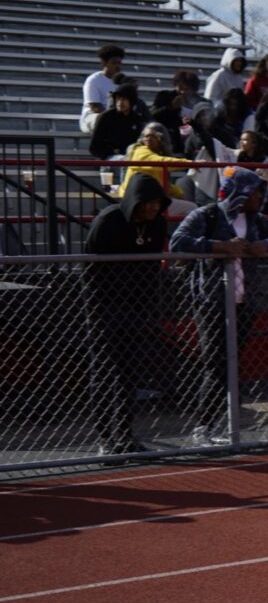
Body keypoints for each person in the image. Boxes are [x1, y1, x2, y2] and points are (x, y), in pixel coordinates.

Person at [170, 167, 268, 447]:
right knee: (216, 365)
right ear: (239, 192)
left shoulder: (256, 220)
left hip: (245, 302)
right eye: (254, 192)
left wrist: (265, 244)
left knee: (231, 364)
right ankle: (203, 427)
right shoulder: (206, 215)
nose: (260, 198)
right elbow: (177, 242)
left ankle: (223, 427)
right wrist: (220, 247)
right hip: (211, 301)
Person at [83, 173, 171, 458]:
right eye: (149, 202)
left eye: (158, 203)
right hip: (105, 308)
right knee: (104, 372)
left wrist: (148, 307)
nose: (154, 208)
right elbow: (90, 271)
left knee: (130, 374)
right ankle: (105, 437)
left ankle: (125, 434)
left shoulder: (157, 224)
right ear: (136, 200)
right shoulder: (107, 222)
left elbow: (151, 269)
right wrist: (97, 312)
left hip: (136, 308)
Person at [116, 122, 196, 215]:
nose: (148, 138)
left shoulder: (154, 154)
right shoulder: (140, 151)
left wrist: (179, 193)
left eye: (153, 136)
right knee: (192, 207)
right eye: (146, 136)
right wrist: (191, 163)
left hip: (145, 198)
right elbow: (160, 162)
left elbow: (162, 183)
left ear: (161, 139)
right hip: (136, 201)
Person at [88, 83, 144, 161]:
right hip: (110, 159)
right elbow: (94, 147)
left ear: (131, 101)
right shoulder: (105, 117)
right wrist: (113, 151)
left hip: (132, 157)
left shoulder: (137, 119)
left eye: (124, 99)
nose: (120, 102)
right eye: (118, 98)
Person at [80, 43, 124, 133]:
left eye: (119, 63)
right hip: (92, 117)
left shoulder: (122, 81)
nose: (118, 66)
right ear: (104, 63)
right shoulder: (93, 80)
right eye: (114, 63)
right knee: (106, 121)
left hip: (116, 118)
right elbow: (95, 107)